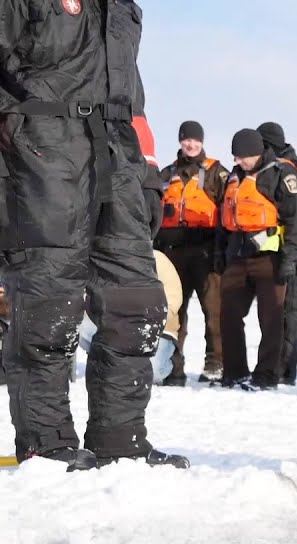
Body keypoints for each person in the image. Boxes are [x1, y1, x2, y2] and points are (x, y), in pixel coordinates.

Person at [0, 1, 188, 471]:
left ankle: (119, 439)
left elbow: (132, 97)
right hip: (41, 148)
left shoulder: (124, 9)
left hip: (116, 154)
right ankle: (47, 443)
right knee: (49, 304)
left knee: (138, 302)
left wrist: (145, 176)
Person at [216, 129, 297, 391]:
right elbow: (224, 220)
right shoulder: (234, 177)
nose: (238, 162)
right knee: (229, 314)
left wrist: (290, 257)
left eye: (243, 157)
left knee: (271, 319)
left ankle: (266, 376)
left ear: (256, 153)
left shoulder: (281, 174)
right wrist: (219, 253)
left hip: (271, 258)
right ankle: (234, 373)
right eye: (235, 157)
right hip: (237, 256)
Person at [155, 120, 230, 386]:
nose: (191, 144)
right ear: (180, 141)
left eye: (195, 140)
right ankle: (173, 367)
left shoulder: (216, 173)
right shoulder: (166, 174)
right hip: (173, 254)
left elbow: (227, 211)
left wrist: (223, 251)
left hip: (206, 253)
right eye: (186, 139)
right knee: (174, 312)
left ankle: (215, 364)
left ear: (202, 142)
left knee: (214, 311)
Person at [257, 121, 297, 386]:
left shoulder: (283, 170)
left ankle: (282, 369)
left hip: (289, 247)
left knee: (284, 310)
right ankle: (282, 369)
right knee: (287, 311)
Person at [81, 250, 183, 384]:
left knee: (153, 372)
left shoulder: (158, 258)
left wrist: (151, 322)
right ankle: (104, 361)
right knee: (81, 327)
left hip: (155, 328)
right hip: (115, 325)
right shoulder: (107, 259)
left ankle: (171, 363)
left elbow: (173, 298)